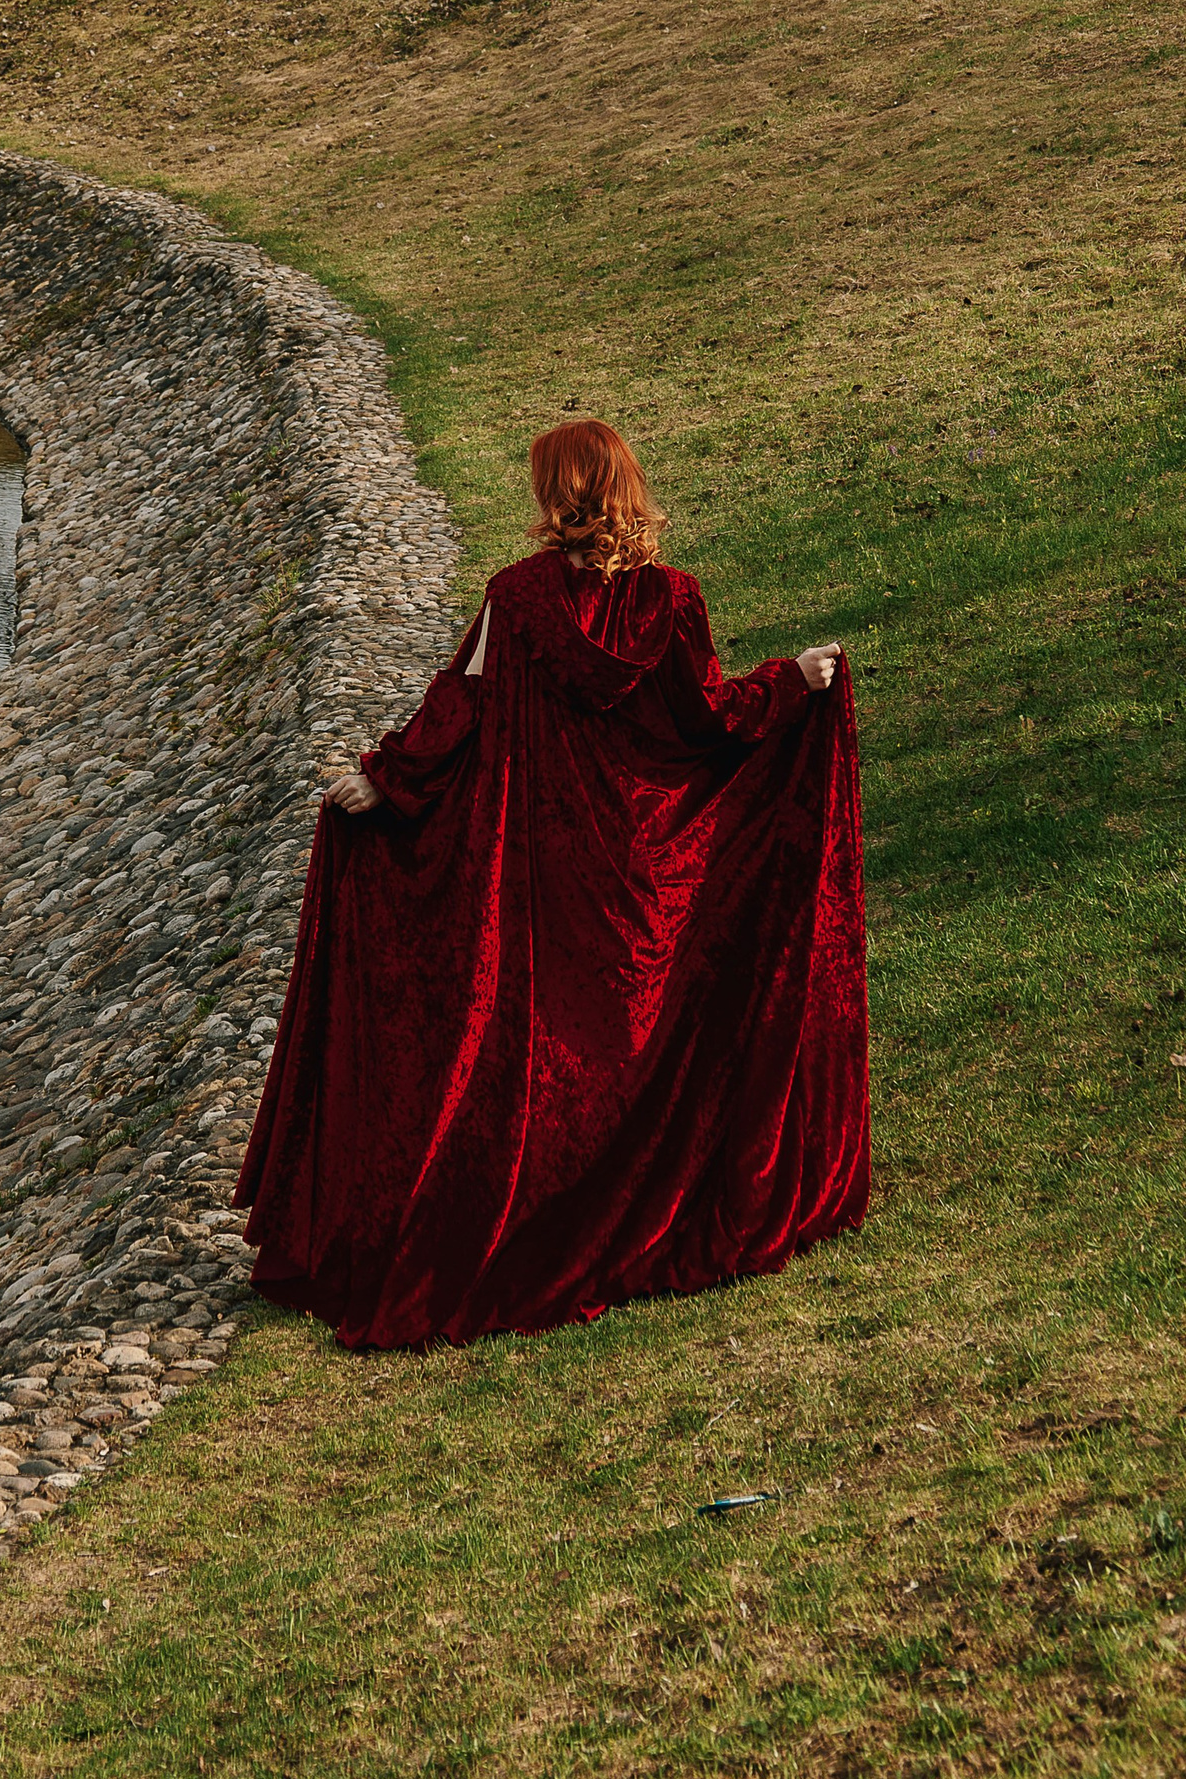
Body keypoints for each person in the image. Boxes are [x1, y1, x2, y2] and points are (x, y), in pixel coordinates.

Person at [236, 418, 868, 1349]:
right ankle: (634, 1207)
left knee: (529, 1050)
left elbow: (462, 707)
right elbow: (708, 719)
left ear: (555, 497)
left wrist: (386, 779)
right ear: (627, 489)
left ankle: (522, 1222)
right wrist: (794, 683)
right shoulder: (672, 600)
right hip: (642, 862)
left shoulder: (517, 596)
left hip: (539, 863)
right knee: (631, 1038)